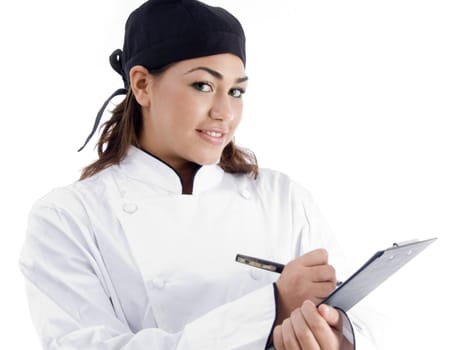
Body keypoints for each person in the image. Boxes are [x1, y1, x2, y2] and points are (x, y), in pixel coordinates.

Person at [19, 0, 375, 349]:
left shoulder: (283, 198)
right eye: (203, 86)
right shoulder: (68, 218)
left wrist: (335, 335)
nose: (225, 112)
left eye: (236, 91)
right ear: (142, 85)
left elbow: (368, 325)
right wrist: (273, 306)